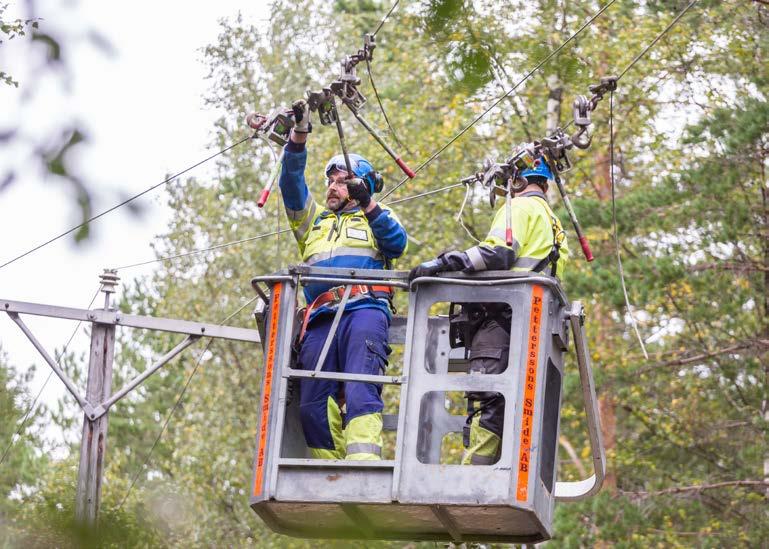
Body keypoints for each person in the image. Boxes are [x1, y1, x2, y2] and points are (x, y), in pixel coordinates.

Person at [409, 158, 569, 465]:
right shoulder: (555, 226)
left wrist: (444, 263)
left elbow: (498, 253)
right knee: (514, 405)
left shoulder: (518, 208)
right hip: (533, 330)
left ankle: (473, 475)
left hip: (501, 324)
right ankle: (497, 470)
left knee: (486, 398)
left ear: (517, 182)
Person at [279, 100, 408, 461]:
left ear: (360, 187)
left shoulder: (377, 217)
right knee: (312, 402)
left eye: (342, 182)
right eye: (330, 181)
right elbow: (290, 184)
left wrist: (369, 204)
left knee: (360, 386)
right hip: (321, 317)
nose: (332, 187)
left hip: (364, 309)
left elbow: (397, 244)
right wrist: (298, 136)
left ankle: (362, 463)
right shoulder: (314, 222)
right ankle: (331, 471)